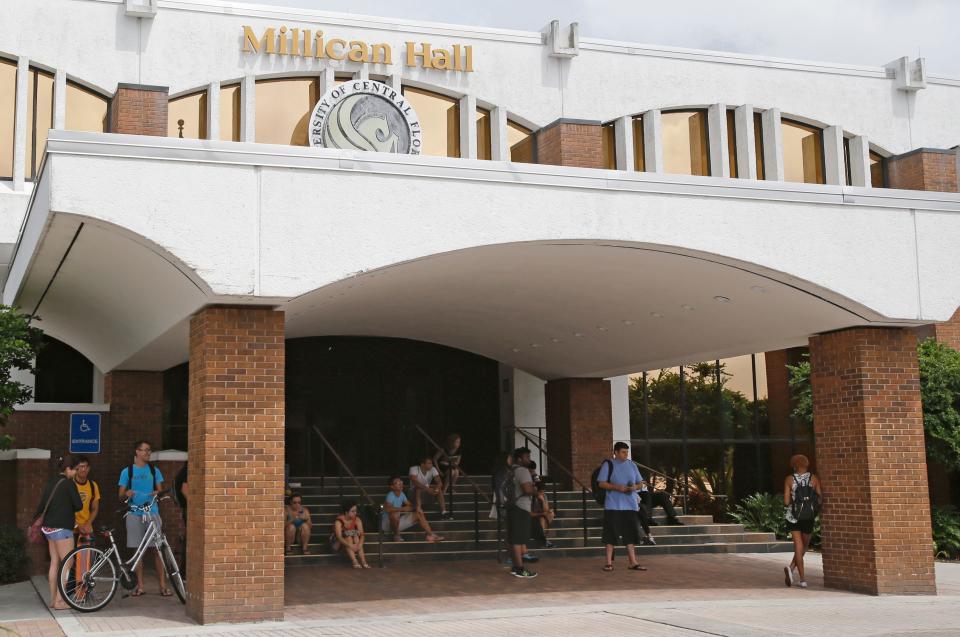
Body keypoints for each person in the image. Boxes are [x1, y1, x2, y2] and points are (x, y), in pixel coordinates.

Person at [118, 440, 170, 597]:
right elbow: (120, 495)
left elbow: (160, 492)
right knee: (138, 551)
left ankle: (162, 586)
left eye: (150, 450)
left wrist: (157, 494)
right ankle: (140, 586)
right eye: (145, 450)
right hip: (134, 514)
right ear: (137, 452)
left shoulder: (154, 470)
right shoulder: (127, 471)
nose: (148, 453)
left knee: (158, 550)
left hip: (152, 513)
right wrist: (126, 494)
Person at [34, 454, 83, 610]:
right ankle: (61, 601)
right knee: (67, 563)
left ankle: (53, 599)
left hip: (48, 528)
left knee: (55, 562)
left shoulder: (51, 482)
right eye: (75, 470)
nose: (76, 473)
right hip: (62, 528)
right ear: (68, 469)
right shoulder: (69, 484)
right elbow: (79, 505)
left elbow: (41, 505)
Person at [597, 442, 647, 572]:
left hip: (630, 505)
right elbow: (601, 483)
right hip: (613, 505)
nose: (626, 454)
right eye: (623, 452)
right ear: (616, 452)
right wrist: (617, 487)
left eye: (627, 452)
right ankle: (608, 563)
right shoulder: (608, 464)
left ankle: (633, 562)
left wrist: (633, 487)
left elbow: (641, 483)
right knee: (610, 534)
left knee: (630, 534)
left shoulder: (632, 465)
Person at [783, 454, 821, 589]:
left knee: (798, 547)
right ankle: (797, 574)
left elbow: (786, 501)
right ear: (806, 463)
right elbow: (819, 498)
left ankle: (797, 574)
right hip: (808, 517)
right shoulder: (814, 478)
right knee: (804, 547)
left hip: (793, 517)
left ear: (794, 465)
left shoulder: (789, 479)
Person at [505, 447, 538, 578]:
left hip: (511, 506)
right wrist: (536, 491)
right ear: (520, 459)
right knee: (518, 539)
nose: (529, 460)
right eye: (527, 457)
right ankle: (520, 568)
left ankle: (515, 566)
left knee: (513, 538)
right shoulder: (523, 471)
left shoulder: (510, 471)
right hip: (521, 507)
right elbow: (527, 490)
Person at [382, 476, 443, 542]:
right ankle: (396, 536)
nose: (400, 483)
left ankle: (430, 535)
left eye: (400, 482)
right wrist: (403, 509)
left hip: (397, 523)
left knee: (418, 513)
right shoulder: (390, 495)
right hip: (387, 525)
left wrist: (417, 507)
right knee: (394, 514)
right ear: (392, 487)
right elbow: (388, 509)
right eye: (397, 483)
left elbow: (410, 505)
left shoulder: (402, 494)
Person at [331, 501, 370, 568]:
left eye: (355, 511)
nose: (355, 513)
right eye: (352, 511)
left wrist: (360, 544)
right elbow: (339, 537)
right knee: (348, 536)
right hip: (337, 543)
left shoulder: (357, 519)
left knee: (356, 537)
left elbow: (362, 534)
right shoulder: (339, 521)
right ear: (346, 512)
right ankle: (354, 561)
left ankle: (363, 561)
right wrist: (351, 546)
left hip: (350, 543)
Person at [73, 455, 100, 548]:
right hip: (71, 530)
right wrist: (77, 525)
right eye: (81, 466)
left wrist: (88, 523)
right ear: (76, 468)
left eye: (86, 466)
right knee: (69, 560)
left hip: (87, 529)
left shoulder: (93, 485)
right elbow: (64, 510)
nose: (84, 469)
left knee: (87, 561)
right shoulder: (69, 484)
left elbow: (95, 508)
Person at [530, 480, 556, 548]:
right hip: (532, 517)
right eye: (540, 491)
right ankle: (543, 540)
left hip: (540, 515)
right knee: (542, 519)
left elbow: (546, 509)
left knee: (551, 514)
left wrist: (542, 500)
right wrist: (542, 514)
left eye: (543, 491)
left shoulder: (544, 496)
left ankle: (543, 539)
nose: (542, 493)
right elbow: (530, 514)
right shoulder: (531, 497)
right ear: (535, 490)